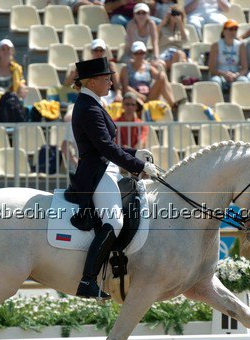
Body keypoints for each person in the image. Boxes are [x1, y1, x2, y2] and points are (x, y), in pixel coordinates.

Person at [67, 57, 157, 298]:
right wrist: (139, 166)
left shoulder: (93, 103)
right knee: (115, 221)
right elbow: (105, 148)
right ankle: (87, 281)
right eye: (106, 78)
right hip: (96, 173)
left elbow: (108, 146)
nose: (110, 81)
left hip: (105, 168)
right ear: (92, 81)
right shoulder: (88, 107)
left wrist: (135, 153)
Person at [64, 39, 123, 103]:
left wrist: (118, 94)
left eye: (101, 50)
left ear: (104, 51)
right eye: (96, 50)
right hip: (90, 94)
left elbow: (117, 85)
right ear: (92, 51)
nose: (99, 53)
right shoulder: (84, 65)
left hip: (107, 95)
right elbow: (67, 83)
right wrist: (75, 72)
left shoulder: (110, 65)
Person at [120, 41, 174, 105]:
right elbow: (126, 88)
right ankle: (173, 105)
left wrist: (155, 63)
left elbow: (161, 78)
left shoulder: (149, 67)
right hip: (135, 98)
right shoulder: (126, 68)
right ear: (132, 54)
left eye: (142, 53)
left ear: (145, 54)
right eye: (136, 53)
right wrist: (140, 96)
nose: (139, 55)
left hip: (149, 96)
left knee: (162, 75)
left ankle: (172, 103)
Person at [208, 20, 249, 94]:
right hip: (220, 74)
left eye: (235, 29)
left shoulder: (240, 46)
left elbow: (244, 68)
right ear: (224, 31)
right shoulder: (216, 45)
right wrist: (224, 74)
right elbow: (211, 68)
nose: (233, 32)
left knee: (244, 81)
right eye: (230, 29)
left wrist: (236, 75)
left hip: (235, 74)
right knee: (215, 81)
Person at [157, 5, 189, 71]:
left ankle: (175, 76)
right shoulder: (162, 28)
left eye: (178, 14)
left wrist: (180, 24)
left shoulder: (183, 30)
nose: (175, 16)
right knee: (181, 58)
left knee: (180, 55)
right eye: (174, 14)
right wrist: (163, 22)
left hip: (178, 54)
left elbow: (185, 41)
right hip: (165, 53)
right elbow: (154, 37)